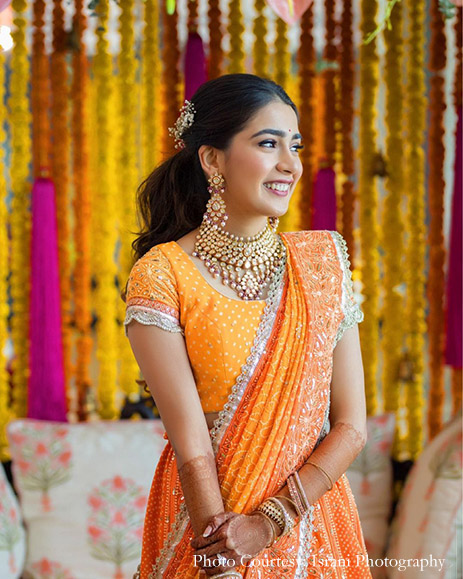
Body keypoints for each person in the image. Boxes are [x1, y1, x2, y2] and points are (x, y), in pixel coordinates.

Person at [123, 73, 372, 579]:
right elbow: (190, 438)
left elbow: (351, 425)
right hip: (207, 524)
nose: (290, 164)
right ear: (212, 158)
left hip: (312, 525)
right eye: (268, 143)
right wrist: (222, 557)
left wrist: (269, 523)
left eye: (295, 145)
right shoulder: (164, 272)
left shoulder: (322, 263)